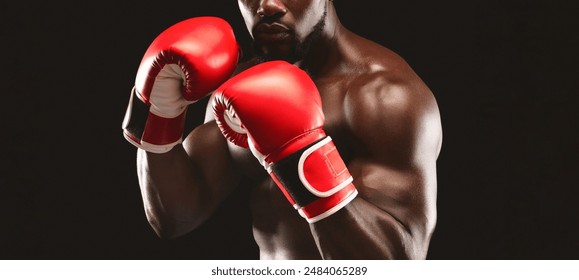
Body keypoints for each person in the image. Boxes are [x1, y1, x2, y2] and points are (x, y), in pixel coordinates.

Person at [122, 0, 442, 259]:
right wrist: (157, 112)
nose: (269, 5)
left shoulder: (384, 97)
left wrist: (301, 156)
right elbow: (173, 217)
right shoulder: (243, 86)